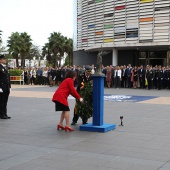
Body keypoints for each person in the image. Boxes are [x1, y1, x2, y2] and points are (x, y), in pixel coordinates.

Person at [0, 54, 11, 119]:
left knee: (5, 101)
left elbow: (8, 78)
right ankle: (1, 114)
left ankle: (5, 113)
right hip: (1, 86)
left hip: (6, 87)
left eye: (5, 59)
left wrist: (9, 86)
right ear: (0, 60)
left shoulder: (6, 67)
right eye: (4, 59)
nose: (5, 60)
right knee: (1, 101)